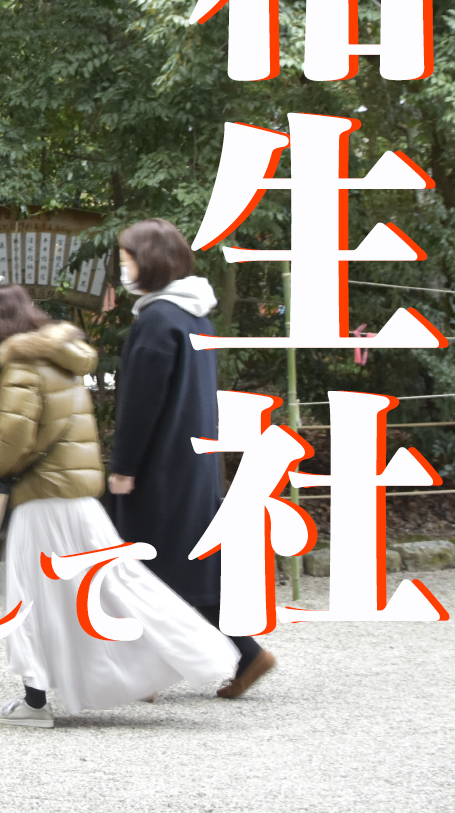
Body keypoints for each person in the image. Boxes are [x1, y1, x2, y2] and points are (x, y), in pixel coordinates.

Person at [0, 285, 237, 726]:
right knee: (114, 585)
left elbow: (16, 436)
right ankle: (188, 650)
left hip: (42, 500)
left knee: (31, 598)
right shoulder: (64, 359)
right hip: (78, 498)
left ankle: (34, 703)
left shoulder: (21, 363)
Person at [110, 219, 276, 698]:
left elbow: (140, 406)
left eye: (127, 259)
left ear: (151, 262)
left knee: (145, 569)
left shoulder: (158, 319)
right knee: (182, 568)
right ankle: (237, 657)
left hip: (159, 469)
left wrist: (124, 468)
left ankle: (239, 656)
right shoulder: (194, 315)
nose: (123, 269)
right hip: (193, 465)